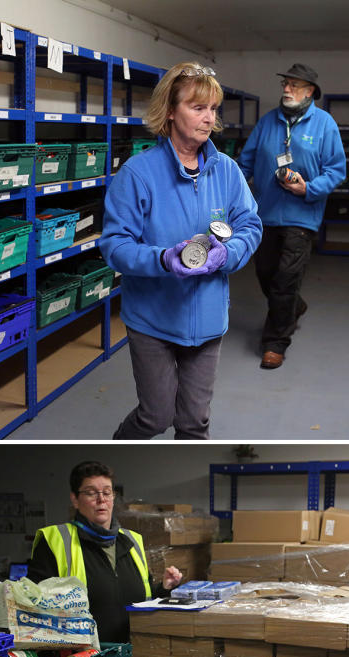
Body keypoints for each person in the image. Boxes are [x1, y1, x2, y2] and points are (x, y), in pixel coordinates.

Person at [100, 62, 263, 438]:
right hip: (153, 320)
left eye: (213, 109)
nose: (209, 119)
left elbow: (250, 226)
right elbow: (115, 246)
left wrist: (230, 253)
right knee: (155, 417)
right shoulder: (138, 174)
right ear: (170, 111)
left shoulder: (227, 171)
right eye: (197, 108)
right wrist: (162, 259)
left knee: (194, 422)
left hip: (207, 320)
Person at [237, 63, 346, 370]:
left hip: (302, 215)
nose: (286, 89)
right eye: (285, 84)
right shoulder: (268, 122)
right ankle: (294, 306)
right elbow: (246, 162)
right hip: (265, 213)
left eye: (294, 85)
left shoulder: (325, 124)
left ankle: (275, 342)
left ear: (310, 92)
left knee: (286, 278)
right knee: (266, 273)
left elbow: (337, 170)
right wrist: (231, 191)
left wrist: (308, 188)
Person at [27, 461, 182, 644]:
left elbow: (142, 599)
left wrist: (164, 588)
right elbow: (35, 612)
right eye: (91, 493)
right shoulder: (55, 540)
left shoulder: (132, 541)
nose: (101, 499)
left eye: (107, 492)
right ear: (75, 500)